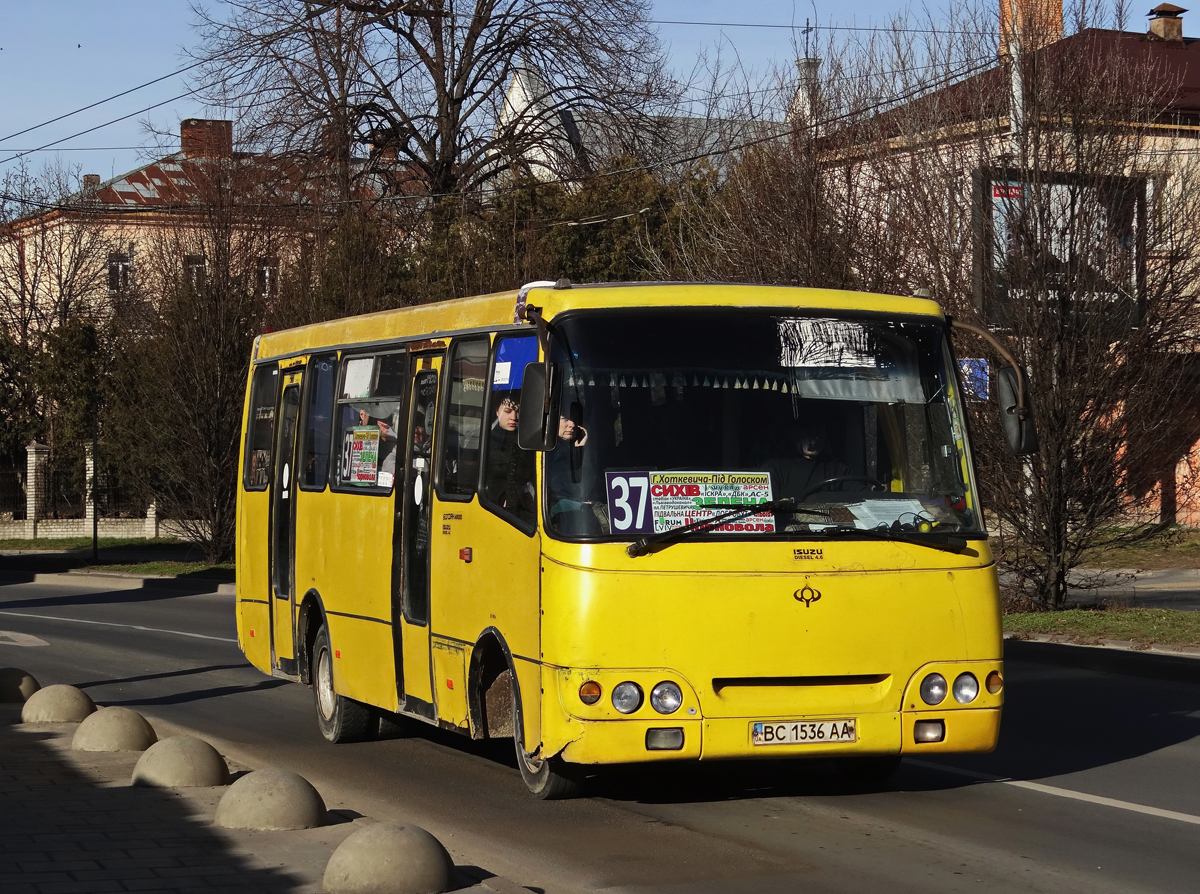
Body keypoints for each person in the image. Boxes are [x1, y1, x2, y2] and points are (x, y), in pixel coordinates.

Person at [764, 423, 849, 502]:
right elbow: (765, 504)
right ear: (795, 435)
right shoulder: (773, 468)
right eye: (809, 432)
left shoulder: (838, 469)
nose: (815, 438)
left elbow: (856, 494)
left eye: (819, 432)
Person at [484, 395, 536, 522]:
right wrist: (502, 496)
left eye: (518, 411)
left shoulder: (530, 442)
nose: (514, 417)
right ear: (497, 411)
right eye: (507, 411)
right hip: (495, 508)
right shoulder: (486, 442)